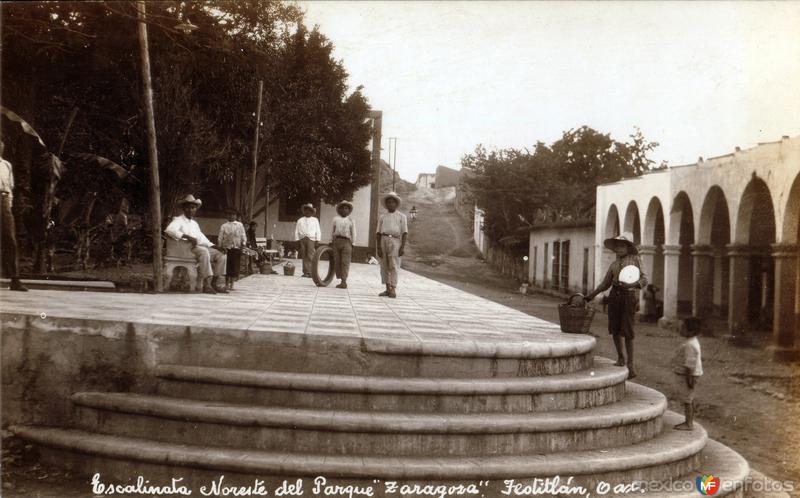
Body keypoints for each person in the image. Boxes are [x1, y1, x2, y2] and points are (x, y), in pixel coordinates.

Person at [584, 232, 647, 379]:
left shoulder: (636, 261)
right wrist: (591, 296)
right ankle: (620, 357)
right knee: (615, 328)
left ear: (629, 247)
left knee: (628, 330)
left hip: (629, 296)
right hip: (615, 296)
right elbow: (605, 284)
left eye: (622, 246)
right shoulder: (614, 265)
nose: (619, 249)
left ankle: (631, 364)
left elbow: (645, 279)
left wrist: (633, 284)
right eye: (617, 246)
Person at [164, 195, 228, 294]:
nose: (190, 210)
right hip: (185, 249)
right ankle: (207, 284)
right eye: (188, 207)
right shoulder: (178, 220)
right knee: (204, 252)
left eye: (193, 207)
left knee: (221, 255)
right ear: (183, 208)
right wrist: (188, 237)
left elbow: (202, 238)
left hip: (196, 248)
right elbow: (169, 230)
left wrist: (216, 246)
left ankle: (214, 283)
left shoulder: (194, 223)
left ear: (196, 209)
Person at [0, 141, 27, 291]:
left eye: (1, 146)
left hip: (3, 201)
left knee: (10, 238)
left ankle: (15, 279)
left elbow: (10, 188)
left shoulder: (6, 165)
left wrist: (8, 206)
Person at [672, 317, 703, 430]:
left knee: (687, 399)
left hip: (689, 376)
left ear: (691, 331)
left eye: (683, 328)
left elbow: (690, 364)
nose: (680, 329)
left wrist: (689, 380)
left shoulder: (689, 345)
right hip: (690, 374)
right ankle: (689, 421)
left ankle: (688, 423)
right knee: (688, 398)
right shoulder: (692, 341)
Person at [376, 192, 408, 298]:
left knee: (394, 265)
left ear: (396, 204)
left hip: (395, 241)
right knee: (384, 265)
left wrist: (402, 247)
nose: (390, 204)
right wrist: (378, 247)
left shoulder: (401, 217)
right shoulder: (382, 217)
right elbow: (378, 232)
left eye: (393, 202)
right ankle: (387, 288)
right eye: (388, 202)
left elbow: (404, 232)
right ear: (386, 204)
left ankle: (393, 288)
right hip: (383, 239)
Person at [218, 208, 247, 291]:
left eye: (233, 215)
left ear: (236, 216)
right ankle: (226, 283)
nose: (231, 216)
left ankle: (232, 284)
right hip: (227, 249)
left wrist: (243, 244)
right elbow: (220, 237)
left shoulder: (239, 225)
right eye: (229, 215)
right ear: (227, 216)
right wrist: (220, 246)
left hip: (236, 248)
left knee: (235, 266)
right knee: (227, 266)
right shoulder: (224, 226)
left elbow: (243, 235)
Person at [331, 200, 356, 289]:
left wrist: (353, 244)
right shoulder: (335, 219)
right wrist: (331, 241)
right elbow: (332, 231)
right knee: (337, 261)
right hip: (337, 241)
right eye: (342, 208)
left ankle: (344, 281)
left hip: (347, 242)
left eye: (346, 208)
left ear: (349, 211)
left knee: (345, 262)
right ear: (339, 210)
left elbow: (353, 233)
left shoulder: (351, 220)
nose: (344, 210)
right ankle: (340, 278)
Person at [294, 203, 321, 278]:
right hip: (302, 239)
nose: (307, 212)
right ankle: (305, 272)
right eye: (306, 210)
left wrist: (317, 240)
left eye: (309, 210)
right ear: (304, 211)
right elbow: (296, 231)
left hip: (311, 239)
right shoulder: (300, 220)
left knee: (310, 255)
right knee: (304, 255)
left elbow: (318, 230)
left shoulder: (315, 220)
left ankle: (311, 272)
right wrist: (297, 240)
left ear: (312, 212)